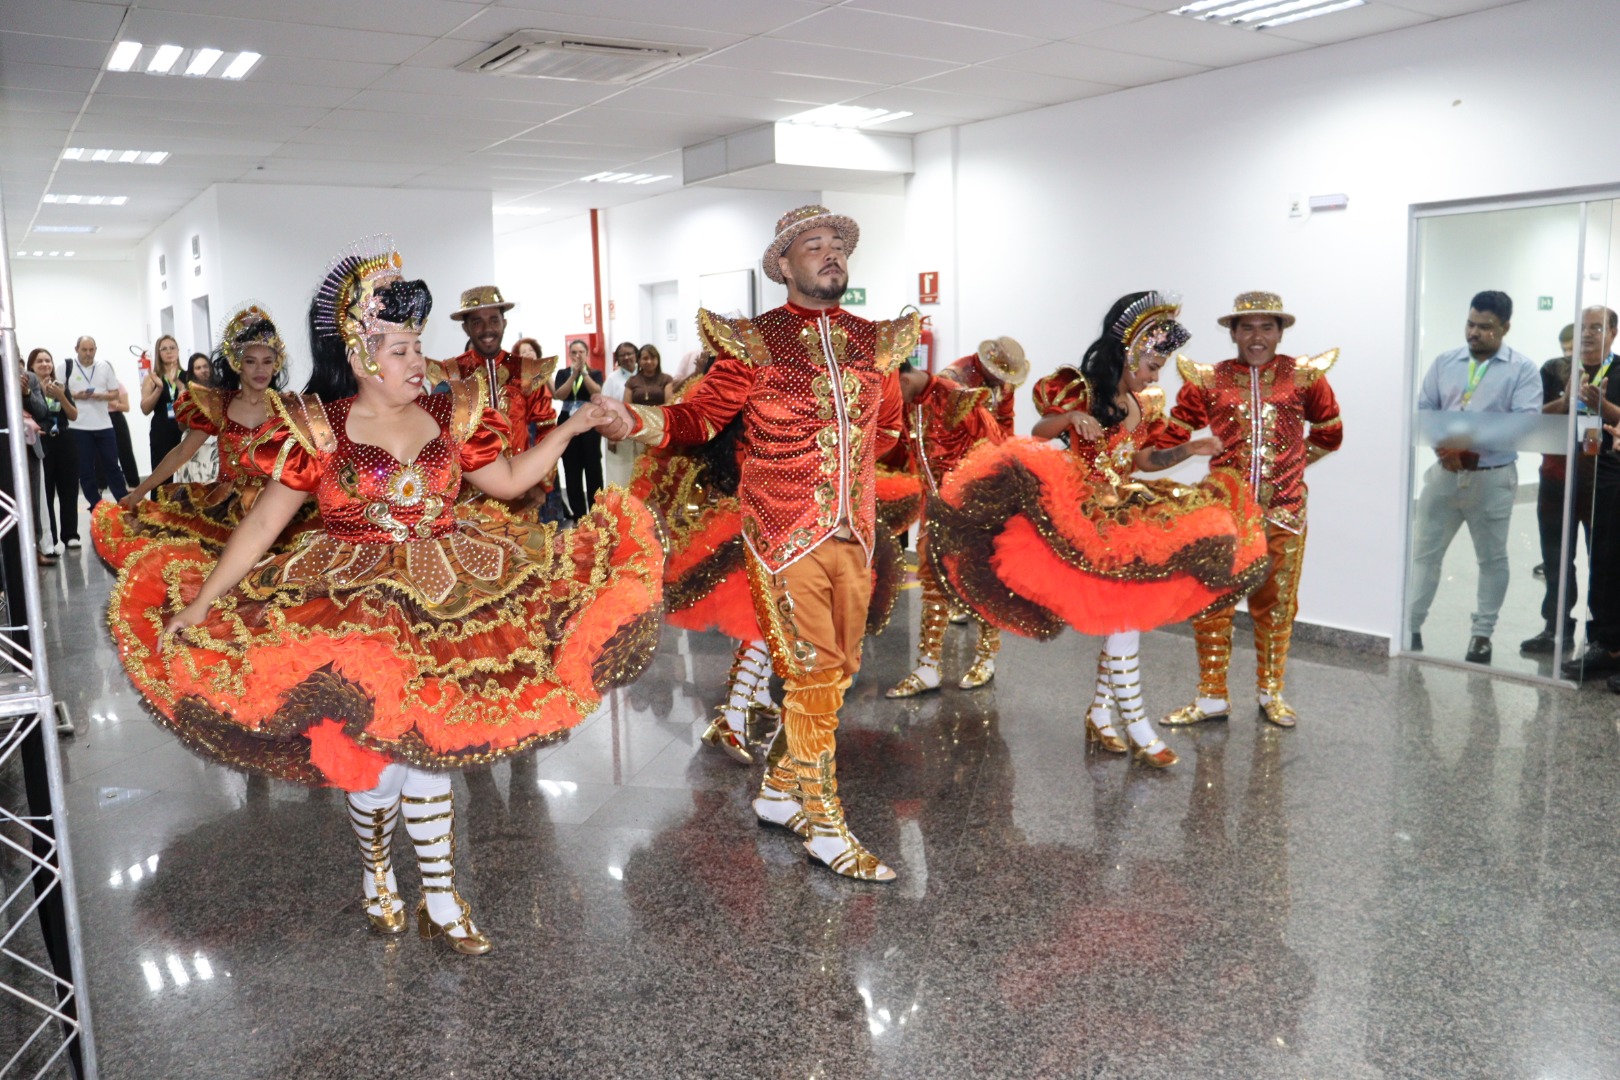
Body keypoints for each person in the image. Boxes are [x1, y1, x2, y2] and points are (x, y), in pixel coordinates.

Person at [106, 238, 662, 954]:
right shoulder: (317, 428)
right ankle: (375, 872)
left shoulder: (452, 412)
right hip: (351, 599)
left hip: (450, 593)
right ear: (363, 352)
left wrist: (576, 425)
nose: (415, 360)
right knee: (377, 762)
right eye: (400, 348)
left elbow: (511, 481)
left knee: (428, 750)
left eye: (417, 345)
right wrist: (202, 602)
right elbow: (261, 527)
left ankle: (441, 893)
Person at [596, 204, 914, 881]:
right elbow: (698, 418)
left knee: (838, 671)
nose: (830, 255)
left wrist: (847, 475)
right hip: (783, 536)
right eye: (814, 246)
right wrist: (633, 419)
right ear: (784, 265)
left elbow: (887, 430)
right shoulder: (755, 343)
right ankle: (825, 825)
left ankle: (777, 791)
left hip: (852, 534)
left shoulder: (874, 341)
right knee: (814, 673)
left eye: (838, 245)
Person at [927, 292, 1266, 769]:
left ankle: (1101, 715)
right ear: (1128, 352)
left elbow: (1142, 461)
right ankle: (1141, 730)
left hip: (1127, 516)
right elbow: (1040, 432)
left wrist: (1189, 450)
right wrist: (1070, 418)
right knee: (1124, 624)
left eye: (1160, 366)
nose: (1154, 375)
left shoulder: (1141, 405)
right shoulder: (1080, 390)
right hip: (1084, 518)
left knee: (1121, 621)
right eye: (1151, 363)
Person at [1153, 291, 1344, 728]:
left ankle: (1270, 693)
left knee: (1276, 604)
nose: (1256, 336)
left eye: (1266, 327)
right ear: (1233, 333)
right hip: (1223, 512)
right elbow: (1169, 437)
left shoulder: (1304, 377)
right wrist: (1185, 449)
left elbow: (1330, 433)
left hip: (1285, 511)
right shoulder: (1207, 380)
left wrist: (1293, 463)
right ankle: (1212, 696)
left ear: (1280, 332)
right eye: (1247, 327)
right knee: (1210, 602)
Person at [93, 304, 314, 567]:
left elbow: (310, 464)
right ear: (236, 364)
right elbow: (181, 453)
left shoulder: (289, 408)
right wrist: (140, 492)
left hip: (277, 510)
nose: (260, 371)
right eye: (251, 362)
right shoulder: (218, 406)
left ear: (276, 364)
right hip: (223, 511)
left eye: (267, 362)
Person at [1406, 291, 1540, 665]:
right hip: (1444, 473)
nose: (1475, 333)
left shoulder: (1522, 370)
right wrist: (1444, 446)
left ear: (1505, 328)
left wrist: (1469, 442)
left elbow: (1525, 423)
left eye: (1485, 327)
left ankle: (1482, 634)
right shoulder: (1445, 362)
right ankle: (1411, 626)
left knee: (1492, 559)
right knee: (1425, 555)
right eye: (1470, 324)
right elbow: (1424, 410)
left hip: (1492, 477)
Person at [886, 362, 1006, 697]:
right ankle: (927, 668)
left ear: (905, 378)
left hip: (971, 511)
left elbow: (994, 450)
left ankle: (986, 657)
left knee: (978, 585)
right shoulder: (907, 405)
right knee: (932, 584)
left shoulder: (958, 401)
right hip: (932, 511)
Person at [1560, 307, 1620, 680]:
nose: (1587, 334)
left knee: (1608, 558)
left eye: (1596, 327)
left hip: (1611, 474)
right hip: (1569, 474)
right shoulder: (1562, 369)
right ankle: (1572, 632)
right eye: (1583, 327)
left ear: (1613, 333)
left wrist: (1605, 406)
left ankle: (1609, 643)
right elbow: (1546, 415)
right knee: (1571, 557)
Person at [1523, 323, 1587, 654]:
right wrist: (1566, 400)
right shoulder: (1550, 370)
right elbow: (1535, 417)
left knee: (1604, 562)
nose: (1572, 352)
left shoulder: (1612, 372)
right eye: (1567, 346)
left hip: (1597, 484)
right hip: (1554, 478)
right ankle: (1555, 627)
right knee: (1555, 559)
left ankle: (1605, 637)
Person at [438, 286, 557, 456]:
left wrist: (538, 478)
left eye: (494, 320)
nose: (487, 329)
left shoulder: (525, 370)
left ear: (504, 323)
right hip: (470, 480)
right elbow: (442, 436)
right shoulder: (452, 374)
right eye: (477, 322)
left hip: (523, 477)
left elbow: (547, 427)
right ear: (466, 328)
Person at [63, 335, 128, 532]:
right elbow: (57, 391)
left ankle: (124, 502)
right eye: (85, 350)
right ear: (77, 349)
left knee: (112, 465)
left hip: (103, 424)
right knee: (85, 469)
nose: (88, 354)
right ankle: (97, 505)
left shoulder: (104, 367)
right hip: (79, 426)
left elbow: (115, 393)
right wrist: (76, 396)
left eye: (92, 350)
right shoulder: (66, 367)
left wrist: (100, 396)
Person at [27, 349, 78, 556]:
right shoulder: (29, 389)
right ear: (31, 366)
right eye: (40, 361)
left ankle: (71, 534)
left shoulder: (60, 387)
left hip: (65, 439)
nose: (45, 364)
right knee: (45, 492)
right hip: (43, 441)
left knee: (69, 490)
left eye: (48, 360)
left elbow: (73, 415)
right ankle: (51, 538)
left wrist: (60, 396)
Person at [554, 338, 604, 519]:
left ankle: (597, 511)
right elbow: (560, 394)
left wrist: (584, 373)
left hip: (590, 425)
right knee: (571, 467)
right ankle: (579, 515)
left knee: (593, 468)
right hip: (568, 423)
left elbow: (596, 391)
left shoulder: (595, 373)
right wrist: (573, 375)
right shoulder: (563, 373)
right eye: (574, 352)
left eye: (581, 352)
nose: (577, 356)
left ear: (587, 354)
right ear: (569, 355)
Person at [940, 336, 1028, 438]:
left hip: (988, 445)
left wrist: (1006, 448)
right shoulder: (956, 376)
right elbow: (943, 422)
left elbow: (1005, 419)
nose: (1002, 381)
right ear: (987, 365)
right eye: (998, 375)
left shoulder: (1004, 383)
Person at [16, 357, 57, 566]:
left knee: (32, 501)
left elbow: (42, 411)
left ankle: (35, 549)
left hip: (29, 447)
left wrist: (27, 394)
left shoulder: (29, 379)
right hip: (6, 445)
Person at [140, 334, 185, 485]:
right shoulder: (152, 378)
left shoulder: (187, 375)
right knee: (162, 478)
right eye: (164, 349)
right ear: (158, 353)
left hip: (184, 429)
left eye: (172, 348)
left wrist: (179, 384)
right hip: (162, 430)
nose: (169, 352)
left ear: (178, 351)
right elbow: (145, 409)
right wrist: (159, 389)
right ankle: (158, 508)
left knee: (184, 475)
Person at [174, 352, 220, 484]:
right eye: (198, 368)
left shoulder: (221, 391)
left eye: (205, 366)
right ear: (192, 372)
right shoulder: (186, 395)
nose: (203, 370)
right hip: (194, 445)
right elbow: (181, 426)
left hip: (215, 444)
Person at [602, 342, 639, 488]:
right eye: (622, 355)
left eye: (630, 353)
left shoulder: (643, 376)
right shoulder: (612, 379)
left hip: (640, 433)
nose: (627, 357)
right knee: (619, 474)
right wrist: (611, 436)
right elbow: (604, 408)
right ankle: (617, 508)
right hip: (618, 433)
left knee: (639, 472)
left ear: (636, 355)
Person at [625, 343, 675, 408]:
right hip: (636, 416)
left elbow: (669, 404)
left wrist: (651, 412)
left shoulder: (667, 379)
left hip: (660, 415)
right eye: (645, 358)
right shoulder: (631, 381)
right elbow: (627, 406)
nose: (649, 361)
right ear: (639, 361)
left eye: (653, 358)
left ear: (658, 360)